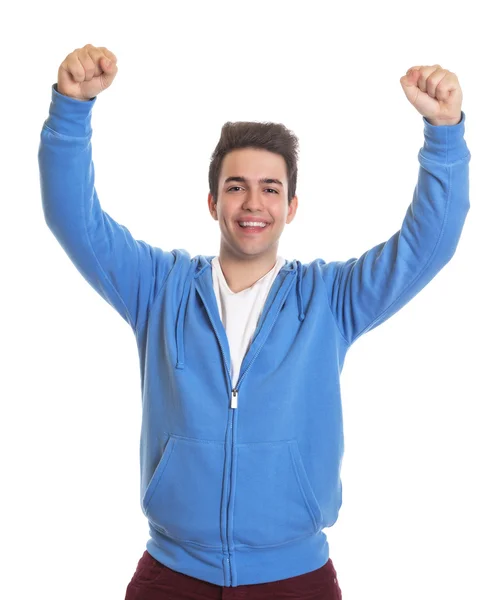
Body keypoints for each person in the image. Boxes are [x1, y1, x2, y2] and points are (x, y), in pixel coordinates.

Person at [38, 44, 471, 600]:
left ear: (291, 207)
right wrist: (72, 111)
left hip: (296, 578)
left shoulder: (330, 299)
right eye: (237, 186)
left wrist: (444, 133)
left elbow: (427, 246)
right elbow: (73, 217)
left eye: (271, 189)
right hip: (172, 575)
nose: (253, 203)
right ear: (213, 201)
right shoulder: (156, 287)